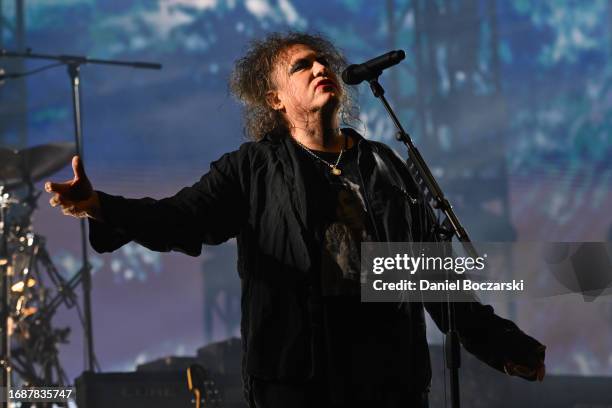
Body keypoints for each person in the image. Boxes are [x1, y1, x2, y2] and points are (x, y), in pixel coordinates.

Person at [45, 32, 545, 408]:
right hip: (299, 375)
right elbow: (181, 219)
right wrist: (100, 206)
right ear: (275, 99)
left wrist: (504, 345)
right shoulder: (253, 168)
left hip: (389, 373)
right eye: (301, 65)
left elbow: (429, 280)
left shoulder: (384, 166)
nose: (319, 67)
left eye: (322, 59)